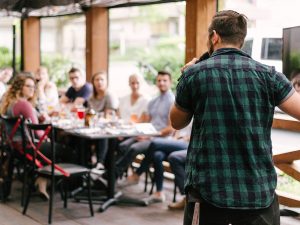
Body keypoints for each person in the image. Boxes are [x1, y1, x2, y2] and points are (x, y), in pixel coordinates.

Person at [169, 10, 300, 225]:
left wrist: (184, 78)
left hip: (208, 191)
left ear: (214, 36)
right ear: (242, 39)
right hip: (257, 193)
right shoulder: (269, 75)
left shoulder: (194, 75)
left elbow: (176, 121)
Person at [0, 73, 51, 200]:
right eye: (28, 86)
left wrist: (38, 117)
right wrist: (48, 137)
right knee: (67, 151)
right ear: (19, 87)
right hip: (28, 147)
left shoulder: (8, 102)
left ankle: (40, 179)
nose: (32, 90)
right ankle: (43, 179)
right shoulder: (24, 104)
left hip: (13, 147)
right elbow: (38, 133)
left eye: (33, 87)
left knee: (53, 148)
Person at [115, 71, 175, 179]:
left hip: (161, 138)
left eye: (164, 80)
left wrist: (151, 135)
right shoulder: (153, 101)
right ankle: (116, 175)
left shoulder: (173, 101)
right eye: (159, 80)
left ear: (170, 82)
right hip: (148, 135)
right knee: (122, 145)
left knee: (133, 148)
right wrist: (142, 133)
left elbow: (171, 128)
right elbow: (147, 122)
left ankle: (113, 175)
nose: (161, 83)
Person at [126, 125, 191, 204]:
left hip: (185, 143)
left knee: (154, 143)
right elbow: (175, 129)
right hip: (174, 141)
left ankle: (137, 173)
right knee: (157, 155)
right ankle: (159, 193)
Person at [87, 71, 119, 168]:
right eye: (97, 80)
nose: (99, 82)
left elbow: (108, 116)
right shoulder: (91, 98)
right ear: (93, 82)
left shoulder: (110, 96)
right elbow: (88, 114)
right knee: (80, 139)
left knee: (102, 135)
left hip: (109, 129)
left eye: (102, 79)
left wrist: (96, 118)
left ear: (106, 82)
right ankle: (86, 165)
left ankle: (100, 164)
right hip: (93, 129)